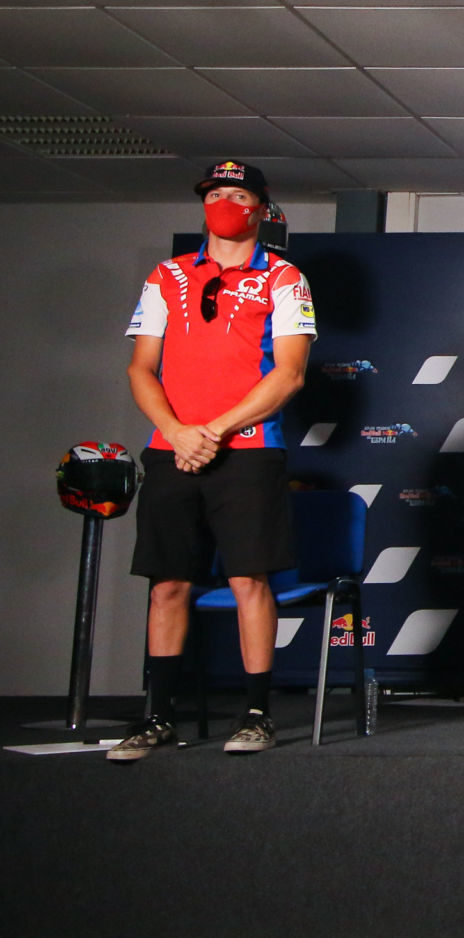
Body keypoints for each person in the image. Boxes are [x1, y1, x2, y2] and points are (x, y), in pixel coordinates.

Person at [110, 161, 316, 760]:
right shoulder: (165, 276)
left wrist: (216, 431)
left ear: (260, 207)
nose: (224, 202)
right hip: (171, 450)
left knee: (249, 578)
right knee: (167, 583)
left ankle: (257, 714)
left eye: (238, 194)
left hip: (248, 452)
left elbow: (290, 373)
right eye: (215, 193)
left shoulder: (284, 278)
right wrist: (177, 432)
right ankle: (158, 717)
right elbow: (140, 369)